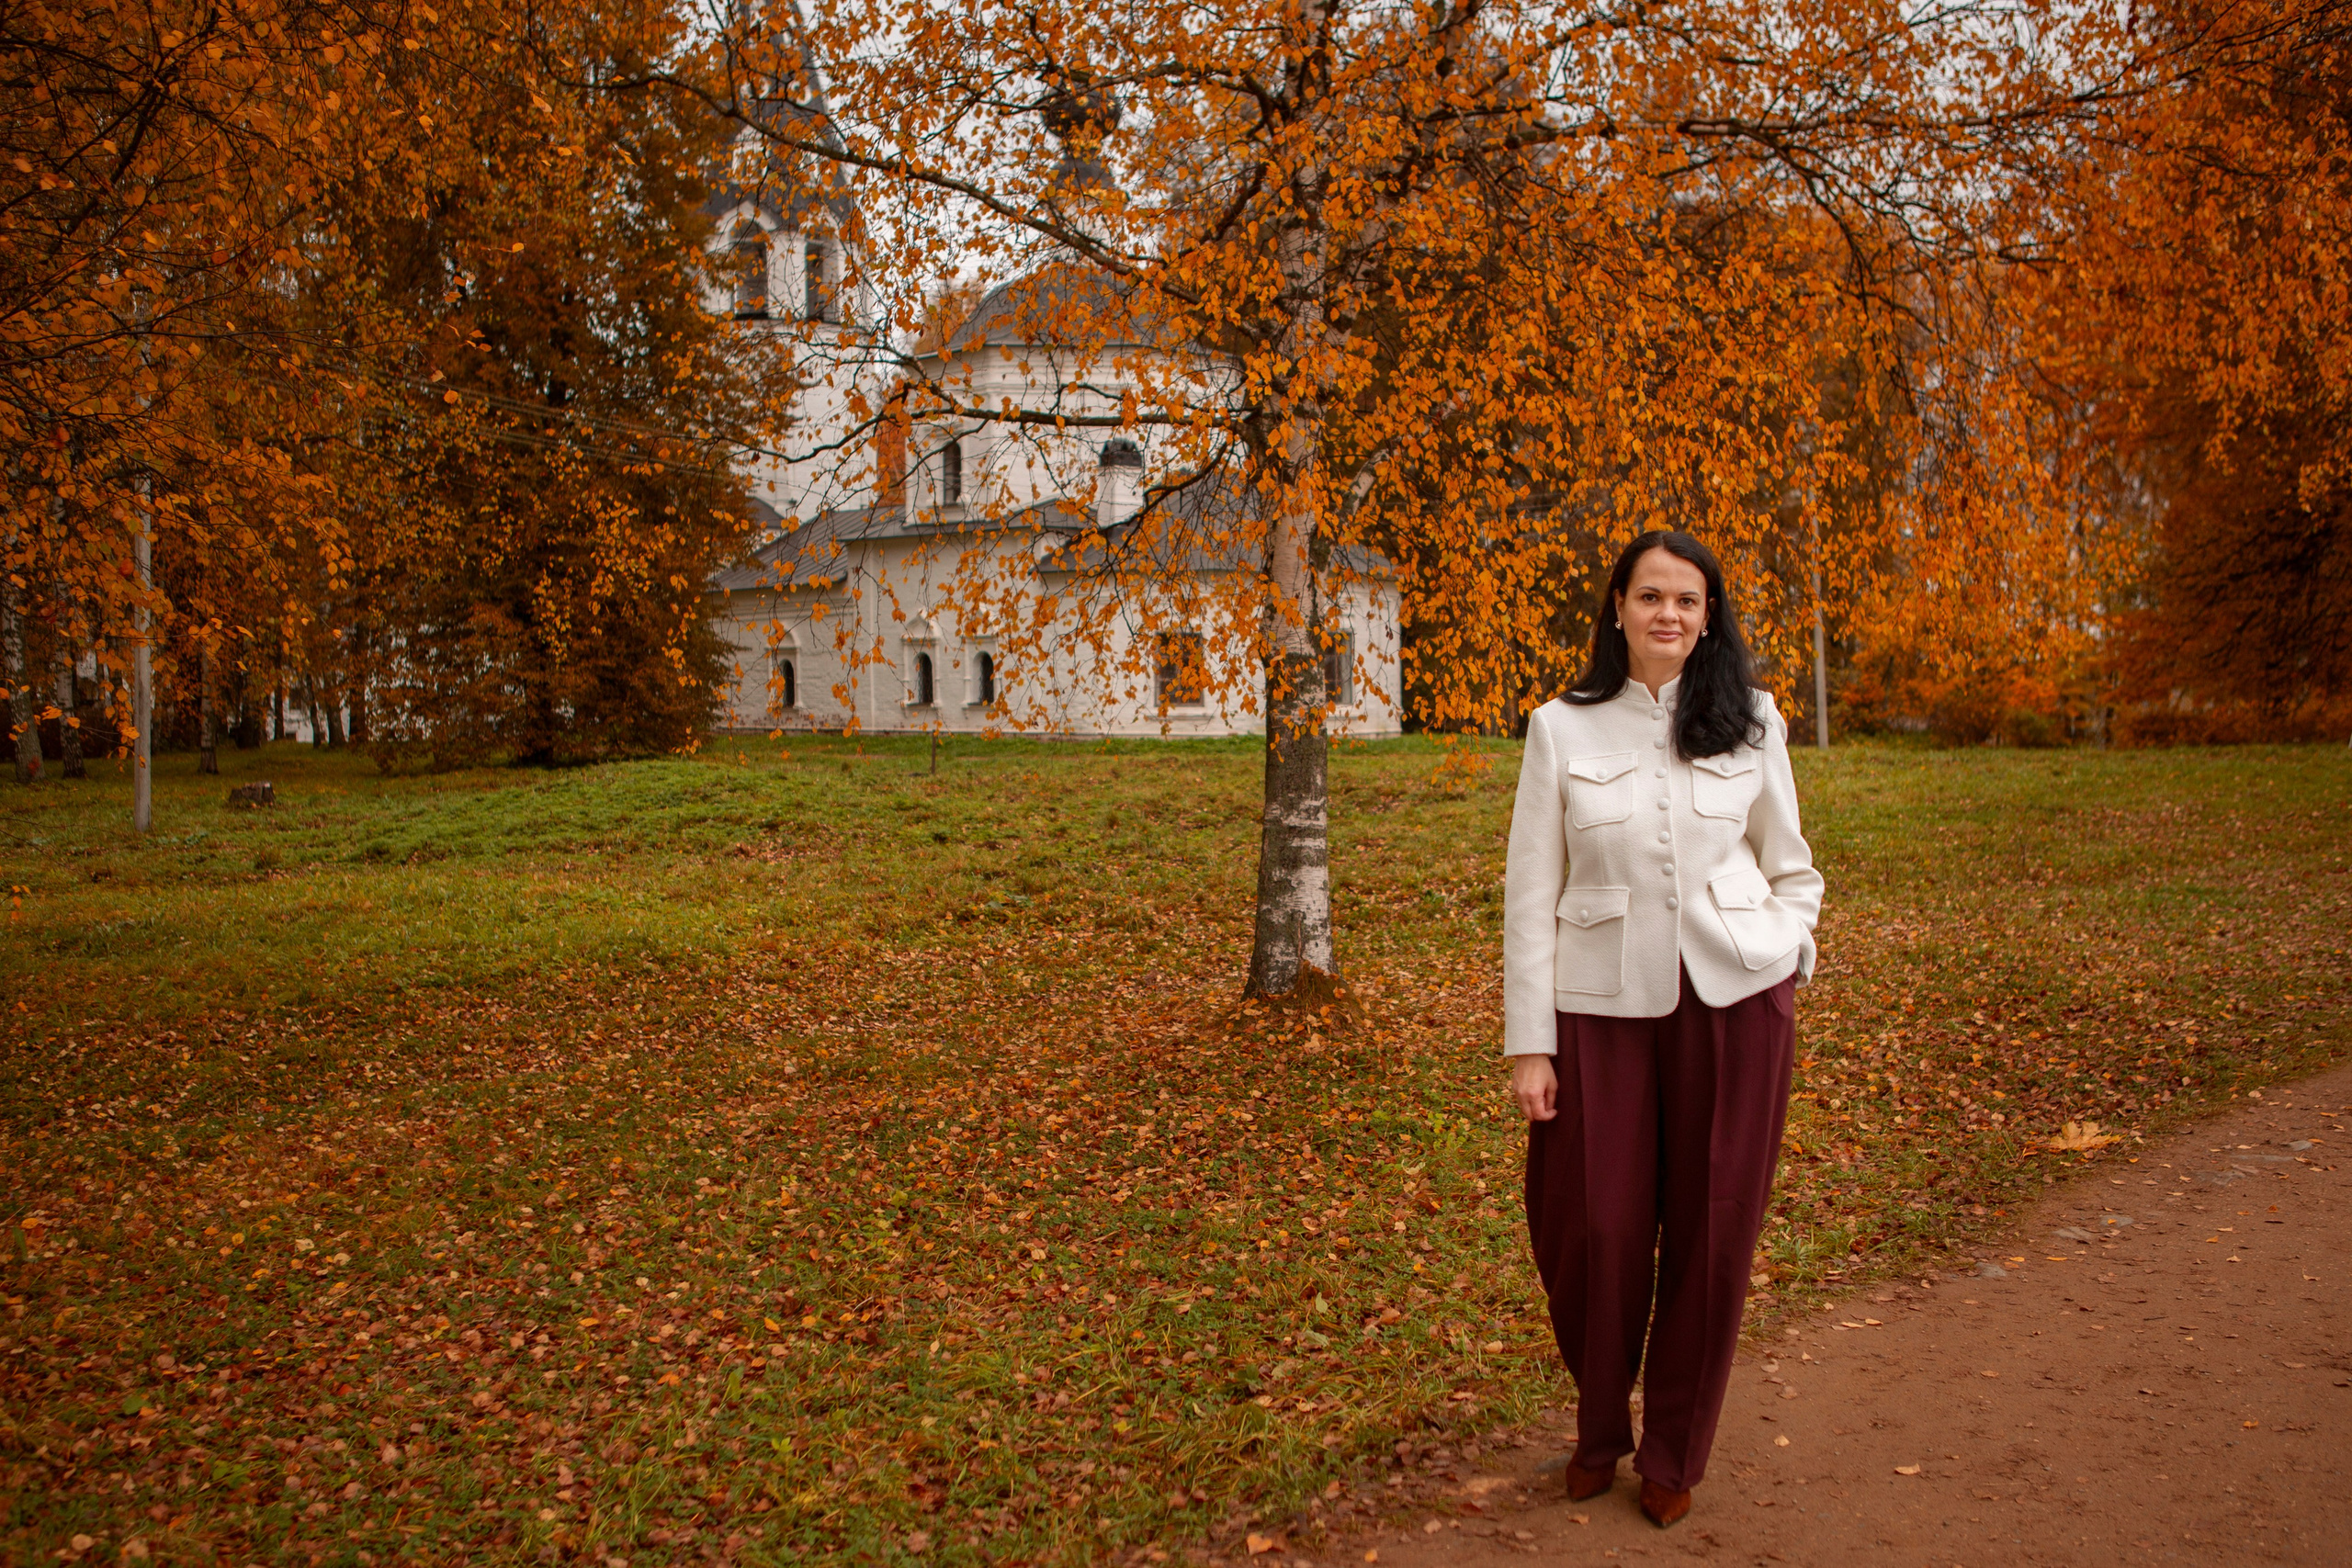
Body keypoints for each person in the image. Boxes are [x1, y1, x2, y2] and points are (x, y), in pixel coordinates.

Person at [1502, 530, 1824, 1529]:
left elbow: (1792, 866)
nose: (1669, 615)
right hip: (1599, 1010)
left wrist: (1789, 950)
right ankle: (1600, 1428)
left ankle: (1677, 1449)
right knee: (1589, 1228)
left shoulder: (1753, 721)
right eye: (1650, 597)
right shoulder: (1560, 727)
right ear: (1616, 608)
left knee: (1713, 1230)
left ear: (1708, 616)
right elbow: (1529, 891)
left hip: (1734, 1004)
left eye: (1688, 601)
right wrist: (1529, 1043)